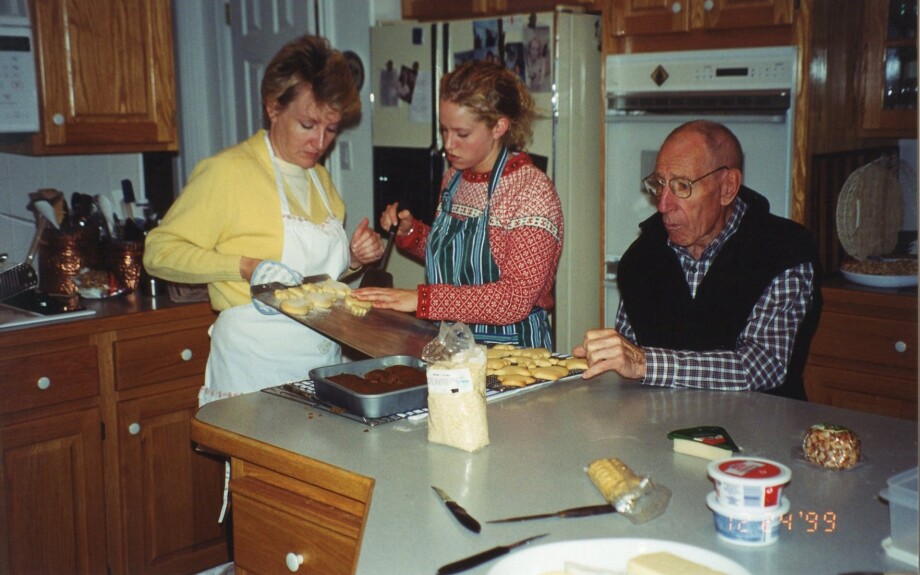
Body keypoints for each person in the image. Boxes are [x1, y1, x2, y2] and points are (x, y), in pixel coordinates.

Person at [144, 35, 383, 405]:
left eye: (331, 129)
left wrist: (353, 260)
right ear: (273, 108)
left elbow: (318, 281)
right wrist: (243, 266)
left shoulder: (320, 180)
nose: (320, 142)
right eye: (307, 124)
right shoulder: (228, 173)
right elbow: (158, 253)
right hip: (253, 368)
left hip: (321, 361)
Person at [573, 120, 820, 400]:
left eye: (682, 186)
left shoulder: (784, 250)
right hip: (659, 429)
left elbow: (762, 366)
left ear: (727, 188)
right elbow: (630, 355)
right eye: (659, 184)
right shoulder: (642, 257)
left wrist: (645, 363)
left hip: (759, 431)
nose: (663, 205)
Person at [353, 60, 564, 350]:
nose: (448, 145)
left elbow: (514, 300)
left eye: (462, 134)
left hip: (513, 351)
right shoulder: (454, 178)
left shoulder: (530, 192)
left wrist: (422, 300)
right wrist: (411, 234)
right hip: (454, 344)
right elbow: (457, 264)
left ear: (498, 127)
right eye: (444, 131)